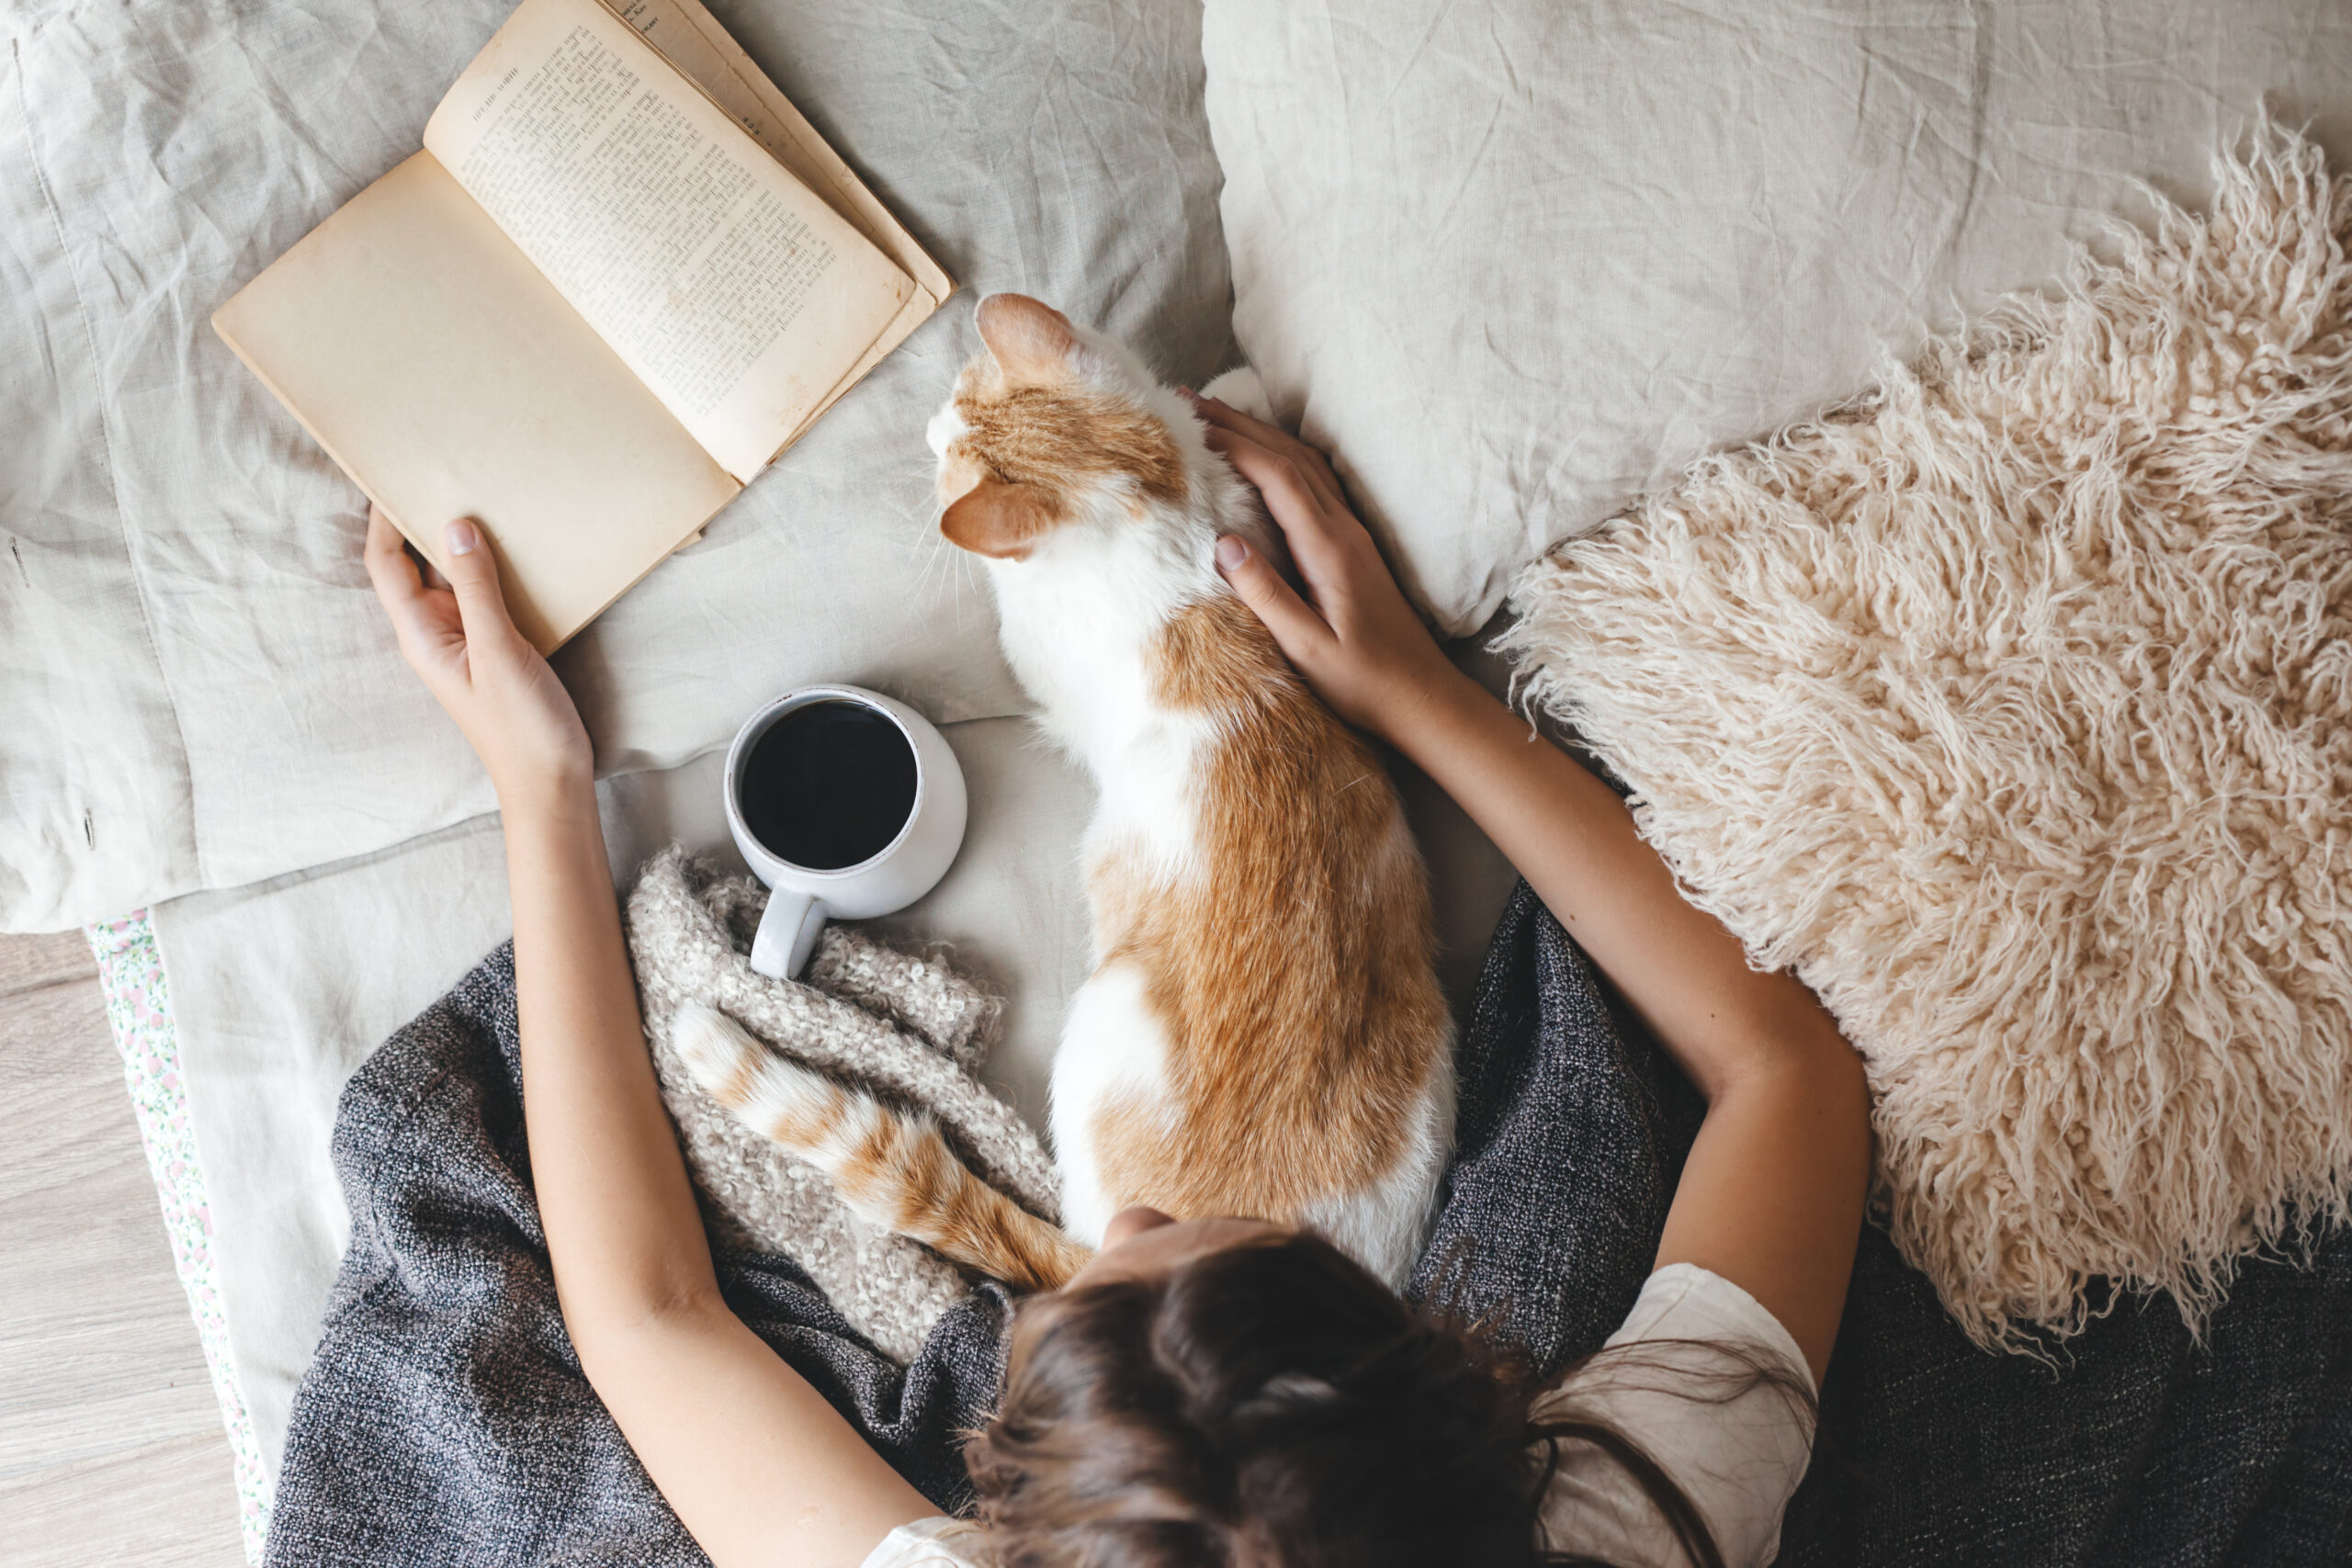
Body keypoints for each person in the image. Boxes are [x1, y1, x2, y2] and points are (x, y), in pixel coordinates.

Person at [364, 393, 1871, 1568]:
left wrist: (541, 791)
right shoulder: (1631, 1512)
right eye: (1223, 1245)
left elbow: (646, 1322)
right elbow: (1784, 1070)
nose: (1129, 1217)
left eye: (1079, 1305)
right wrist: (1410, 690)